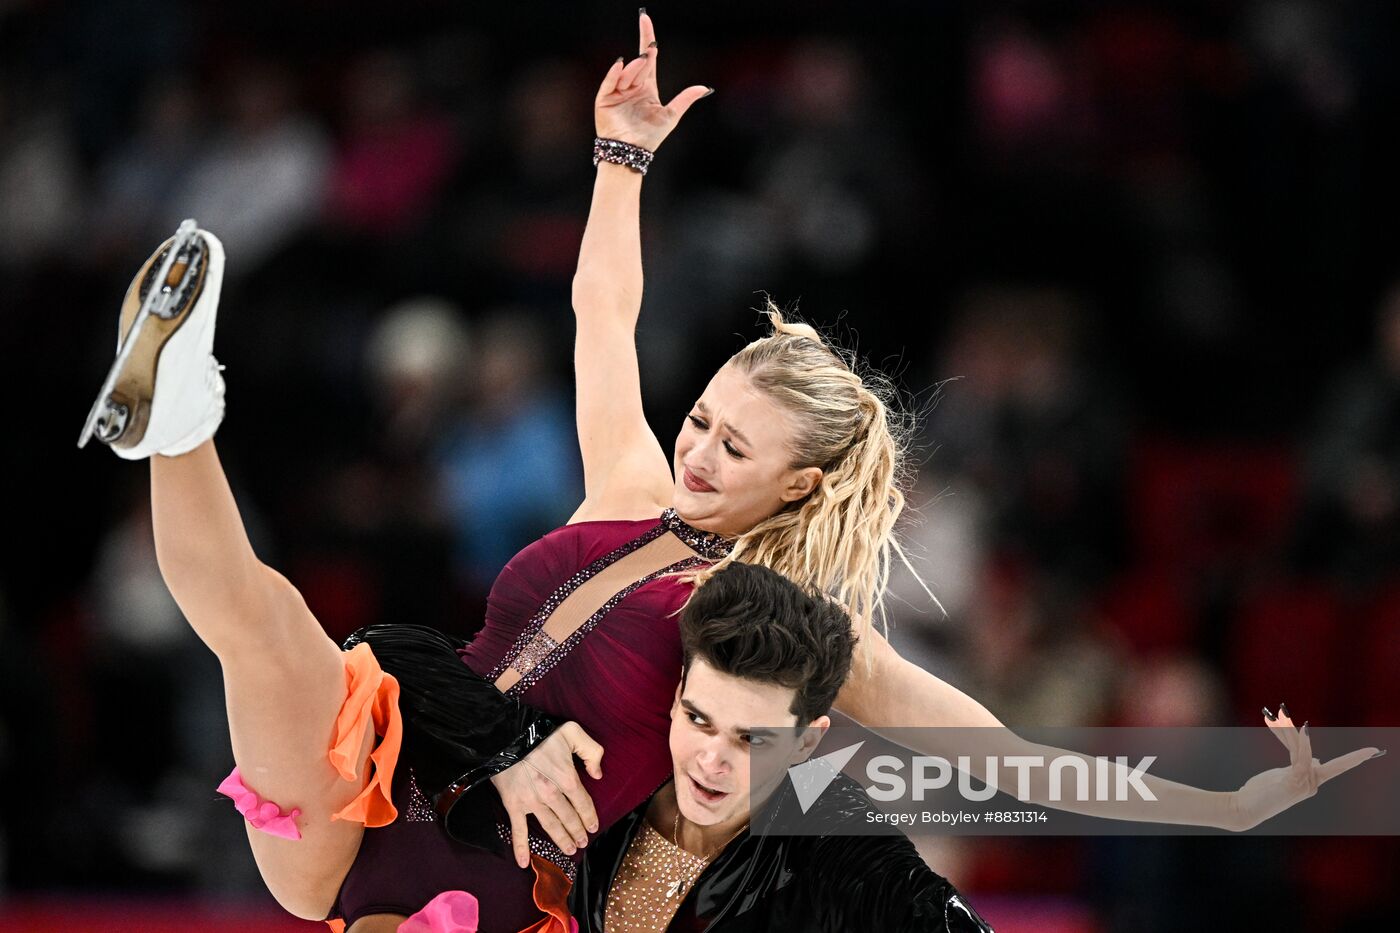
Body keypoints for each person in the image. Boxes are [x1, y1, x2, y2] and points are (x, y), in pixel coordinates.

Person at [78, 10, 1378, 933]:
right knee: (268, 621)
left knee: (281, 630)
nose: (694, 449)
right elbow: (602, 316)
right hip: (382, 769)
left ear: (799, 488)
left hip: (481, 881)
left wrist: (1228, 800)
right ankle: (176, 409)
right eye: (701, 418)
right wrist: (621, 160)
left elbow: (1008, 760)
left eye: (731, 447)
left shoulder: (778, 636)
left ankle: (179, 409)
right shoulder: (630, 486)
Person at [572, 561, 993, 932]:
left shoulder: (830, 829)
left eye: (751, 739)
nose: (710, 761)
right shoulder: (608, 759)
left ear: (805, 743)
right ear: (677, 695)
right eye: (698, 720)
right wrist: (530, 743)